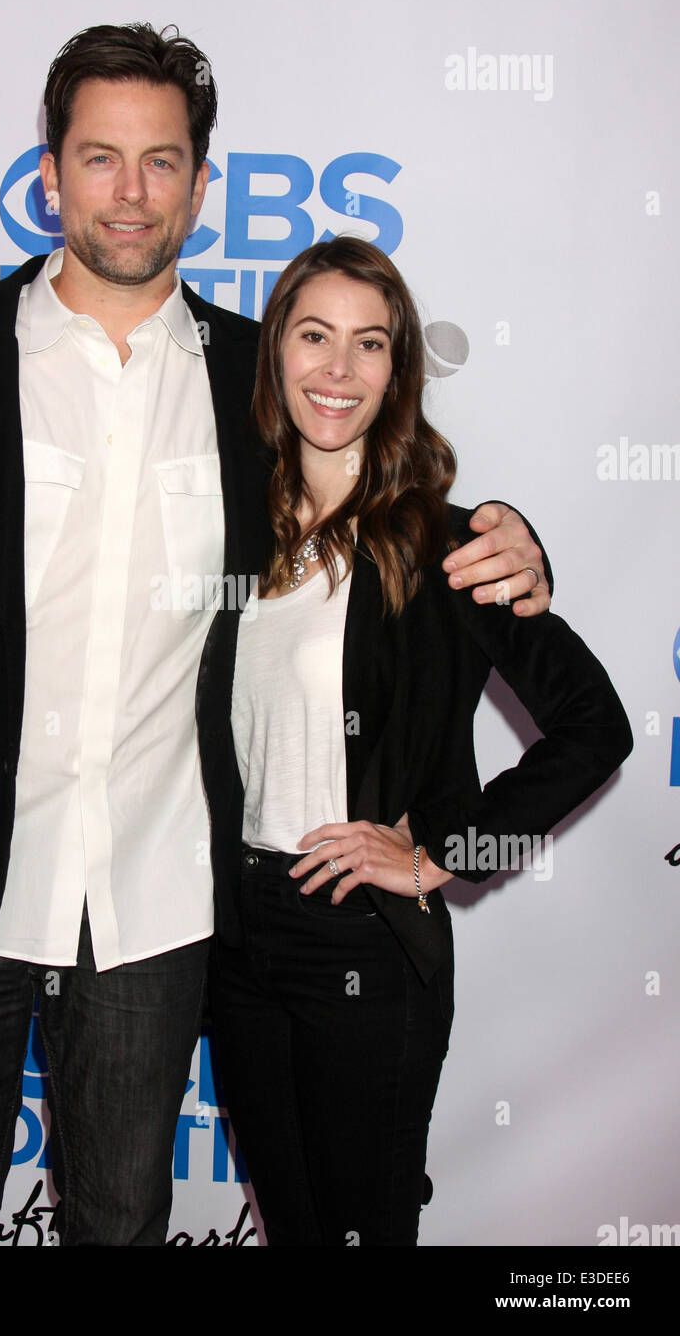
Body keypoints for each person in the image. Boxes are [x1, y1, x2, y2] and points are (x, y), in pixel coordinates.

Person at [0, 24, 551, 1247]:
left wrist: (520, 550)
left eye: (162, 162)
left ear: (203, 183)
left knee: (120, 1228)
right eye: (100, 158)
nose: (130, 194)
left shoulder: (257, 377)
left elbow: (389, 504)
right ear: (49, 173)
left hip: (156, 902)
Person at [197, 235, 633, 1247]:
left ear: (398, 372)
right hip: (234, 935)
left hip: (360, 934)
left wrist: (445, 852)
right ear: (274, 354)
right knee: (292, 1224)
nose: (337, 370)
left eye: (369, 344)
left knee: (365, 1228)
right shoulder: (230, 533)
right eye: (313, 336)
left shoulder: (443, 546)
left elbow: (595, 725)